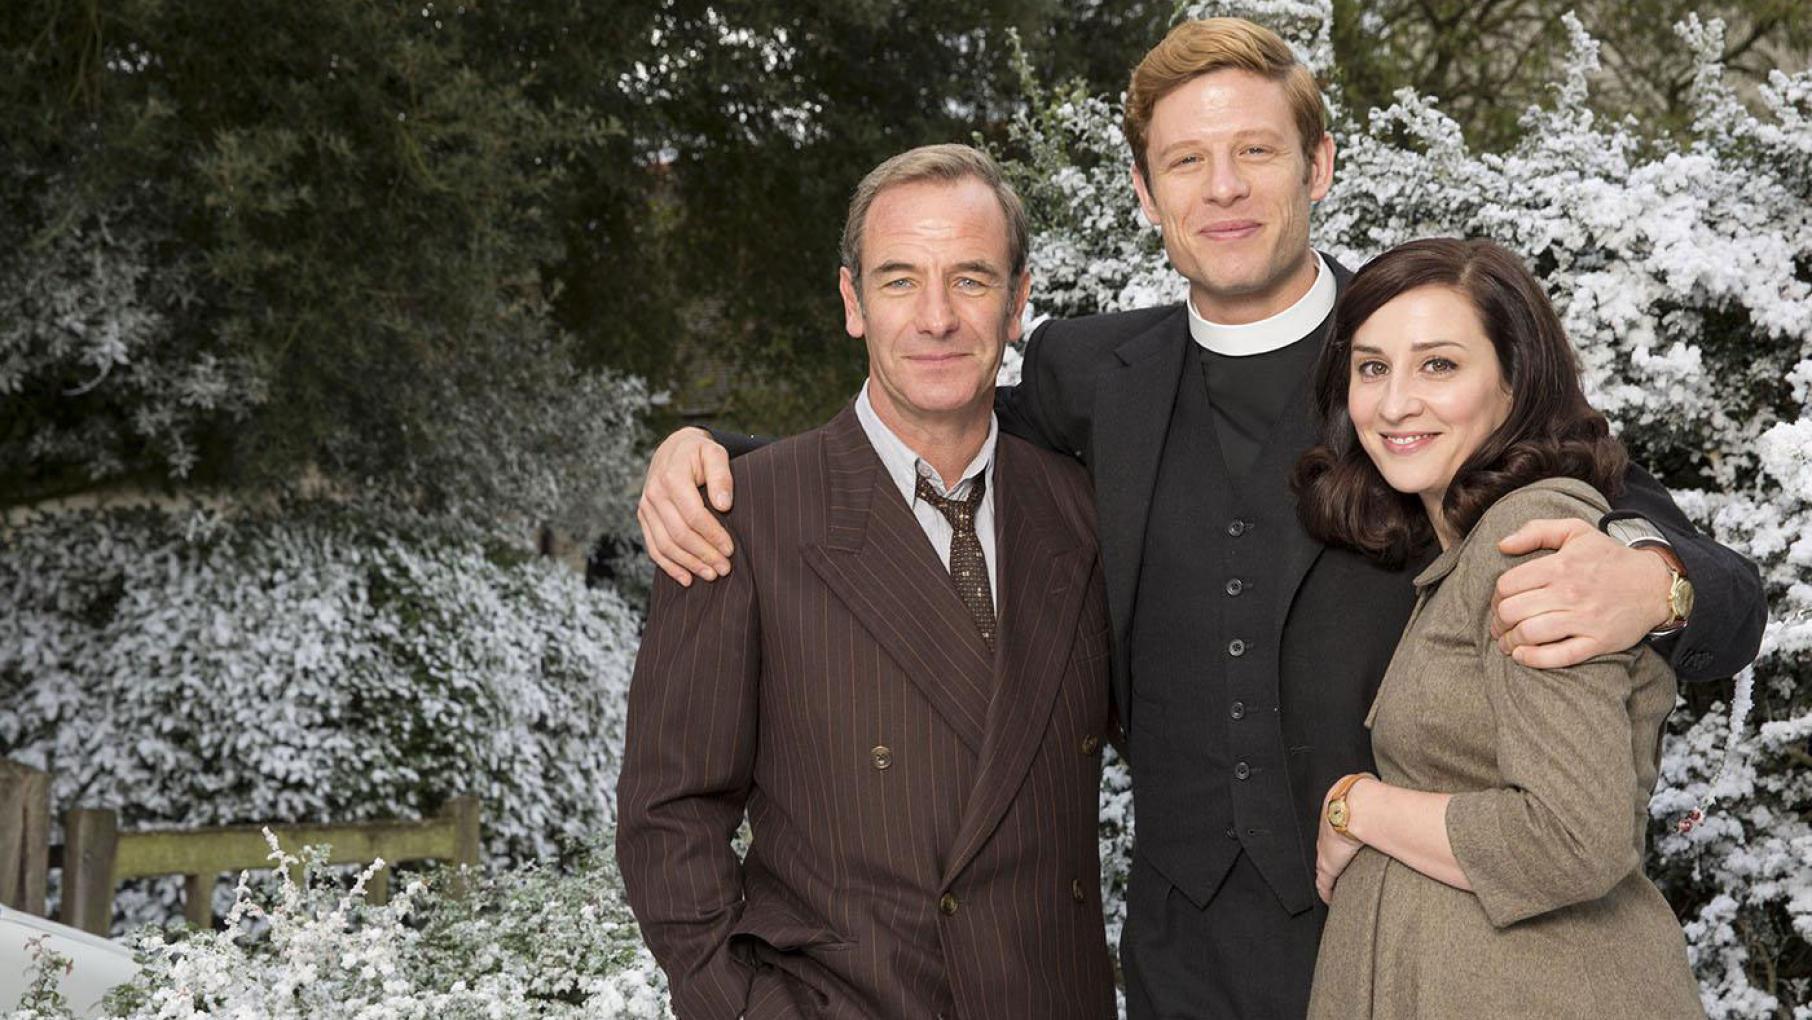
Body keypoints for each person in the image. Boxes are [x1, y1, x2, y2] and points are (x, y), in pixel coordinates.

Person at [632, 18, 1765, 1017]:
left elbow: (1694, 569)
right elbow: (928, 419)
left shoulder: (1413, 363)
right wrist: (711, 459)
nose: (1221, 188)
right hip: (1180, 962)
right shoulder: (1090, 375)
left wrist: (1655, 580)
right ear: (1145, 191)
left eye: (1255, 152)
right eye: (1187, 160)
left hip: (1414, 935)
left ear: (1318, 166)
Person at [614, 144, 1117, 1020]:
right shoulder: (743, 516)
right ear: (852, 302)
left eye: (969, 279)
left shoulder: (1081, 507)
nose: (936, 317)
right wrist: (739, 1006)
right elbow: (668, 814)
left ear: (1018, 298)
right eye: (898, 280)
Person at [1295, 237, 1702, 1017]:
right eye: (1372, 367)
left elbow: (1571, 838)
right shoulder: (1470, 542)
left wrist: (1360, 805)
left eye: (1439, 365)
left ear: (1515, 382)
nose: (1394, 402)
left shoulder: (1532, 535)